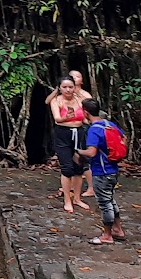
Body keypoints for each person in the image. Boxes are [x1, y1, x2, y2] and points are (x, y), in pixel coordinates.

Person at [76, 99, 126, 245]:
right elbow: (124, 138)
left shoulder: (94, 130)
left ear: (85, 112)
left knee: (105, 203)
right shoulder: (109, 124)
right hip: (113, 169)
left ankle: (107, 235)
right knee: (110, 199)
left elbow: (91, 152)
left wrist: (78, 152)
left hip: (101, 171)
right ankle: (118, 229)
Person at [45, 70, 97, 200]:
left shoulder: (80, 99)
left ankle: (77, 199)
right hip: (63, 133)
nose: (68, 90)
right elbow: (57, 118)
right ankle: (67, 200)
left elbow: (88, 113)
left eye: (70, 87)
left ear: (74, 87)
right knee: (67, 168)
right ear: (60, 88)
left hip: (79, 133)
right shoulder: (56, 100)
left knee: (79, 166)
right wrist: (66, 117)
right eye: (64, 87)